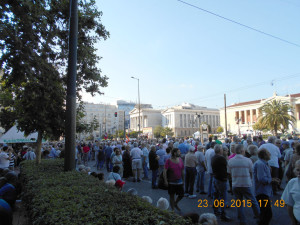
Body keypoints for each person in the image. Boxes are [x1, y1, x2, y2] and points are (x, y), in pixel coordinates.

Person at [228, 144, 260, 225]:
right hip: (246, 183)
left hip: (235, 184)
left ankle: (242, 220)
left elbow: (229, 173)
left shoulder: (230, 161)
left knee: (239, 203)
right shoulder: (248, 160)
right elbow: (251, 172)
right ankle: (259, 217)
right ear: (242, 151)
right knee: (253, 202)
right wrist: (250, 181)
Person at [253, 148, 280, 225]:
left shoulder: (264, 163)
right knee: (267, 214)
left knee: (264, 213)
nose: (270, 154)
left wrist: (272, 179)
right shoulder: (260, 164)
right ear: (264, 155)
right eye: (268, 153)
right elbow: (261, 178)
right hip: (261, 192)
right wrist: (272, 180)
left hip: (263, 191)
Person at [211, 144, 231, 221]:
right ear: (220, 150)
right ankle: (223, 214)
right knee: (223, 197)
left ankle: (216, 210)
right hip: (221, 179)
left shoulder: (214, 157)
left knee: (216, 196)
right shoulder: (221, 158)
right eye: (222, 149)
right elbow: (227, 165)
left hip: (216, 178)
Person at [281, 159, 300, 225]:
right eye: (298, 170)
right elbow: (289, 204)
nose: (299, 173)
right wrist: (292, 221)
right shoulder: (292, 183)